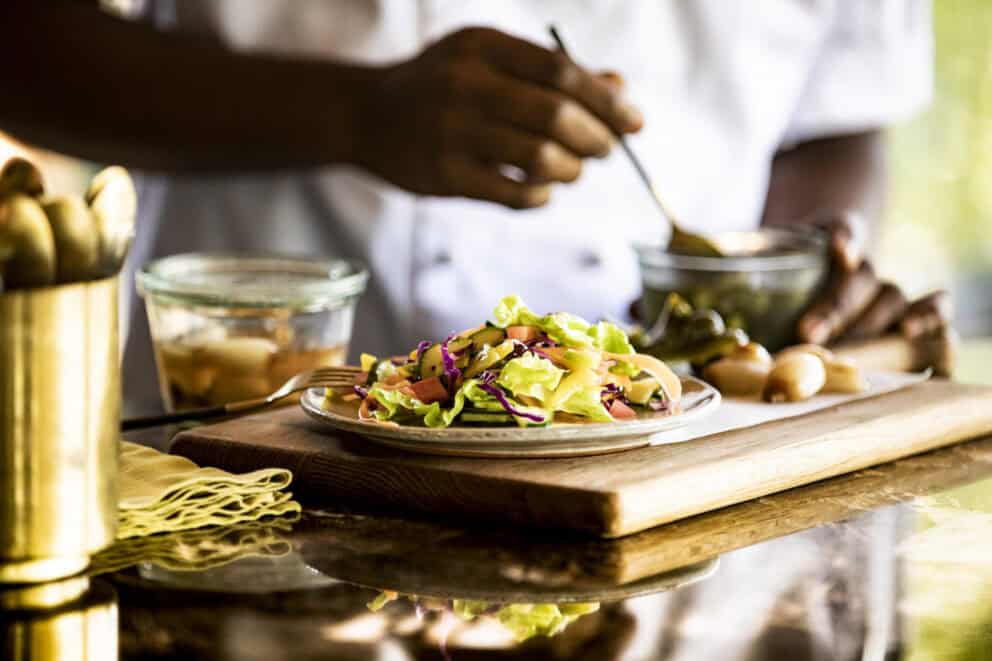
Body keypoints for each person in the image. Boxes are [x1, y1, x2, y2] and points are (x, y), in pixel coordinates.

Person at [0, 3, 950, 656]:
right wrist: (349, 111)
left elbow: (840, 121)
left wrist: (795, 271)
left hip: (684, 495)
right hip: (249, 491)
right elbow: (28, 46)